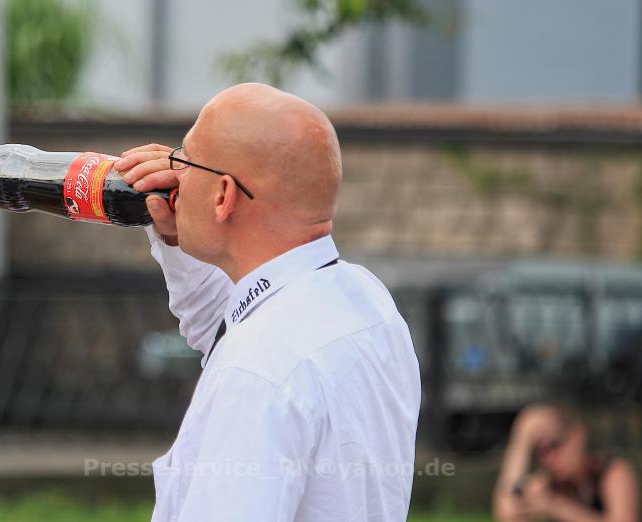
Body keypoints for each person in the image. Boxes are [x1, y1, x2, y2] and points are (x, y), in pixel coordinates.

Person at [112, 83, 421, 521]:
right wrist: (174, 240)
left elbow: (252, 351)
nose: (172, 176)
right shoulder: (366, 300)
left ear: (223, 195)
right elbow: (229, 324)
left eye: (184, 160)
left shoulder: (257, 367)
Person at [493, 403, 639, 522]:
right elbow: (507, 513)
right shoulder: (550, 483)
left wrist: (555, 506)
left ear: (578, 434)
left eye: (555, 445)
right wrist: (522, 439)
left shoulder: (612, 472)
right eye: (541, 452)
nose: (549, 459)